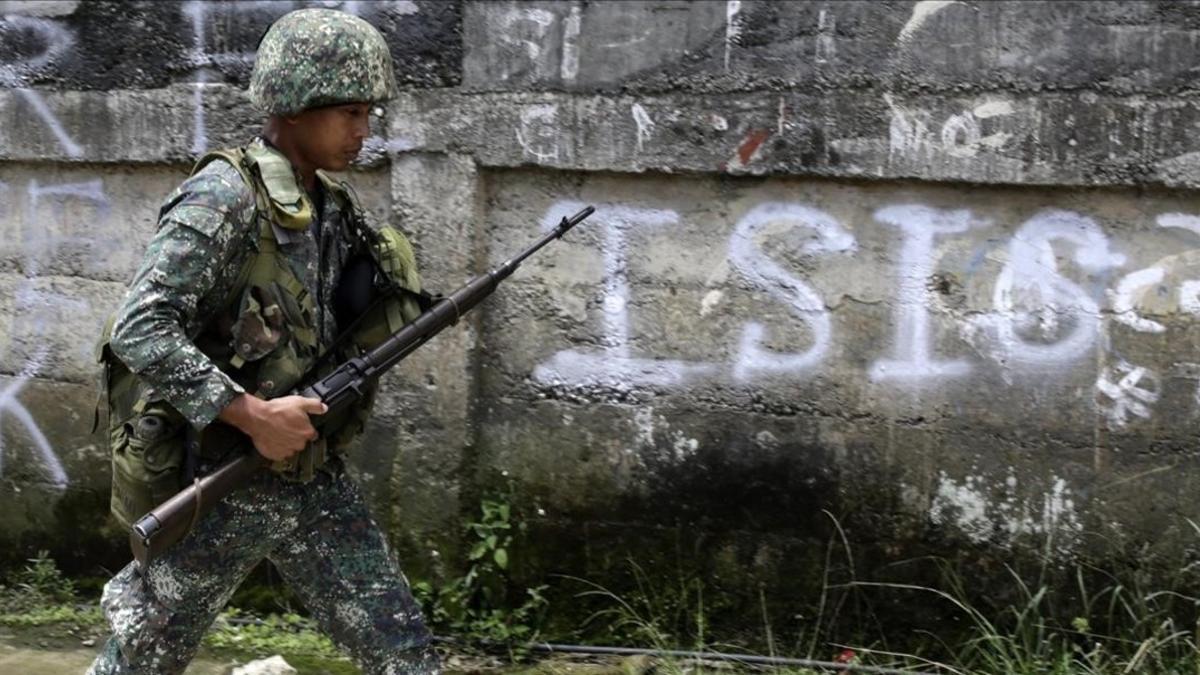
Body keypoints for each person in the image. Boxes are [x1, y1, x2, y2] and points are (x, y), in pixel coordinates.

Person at [86, 8, 439, 674]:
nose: (365, 131)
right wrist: (250, 415)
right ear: (297, 107)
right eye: (351, 112)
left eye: (370, 114)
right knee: (141, 659)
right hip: (220, 483)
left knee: (403, 647)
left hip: (307, 477)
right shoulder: (225, 198)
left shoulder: (328, 204)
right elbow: (141, 326)